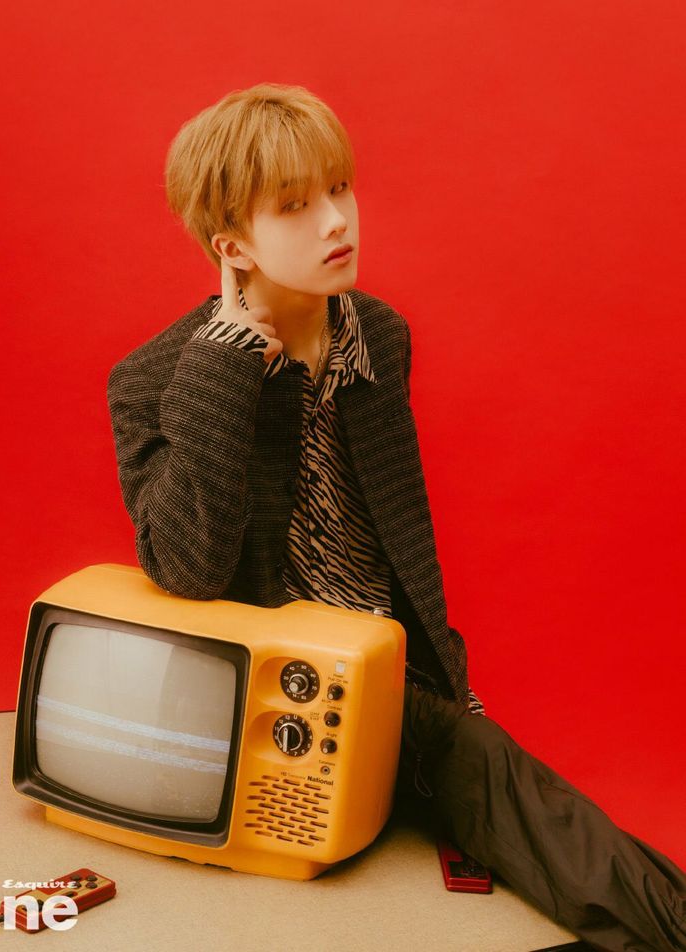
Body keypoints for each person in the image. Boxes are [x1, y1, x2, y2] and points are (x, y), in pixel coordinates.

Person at [106, 82, 685, 951]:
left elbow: (388, 541)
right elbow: (184, 566)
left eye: (339, 188)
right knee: (504, 792)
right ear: (232, 246)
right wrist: (227, 364)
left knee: (507, 788)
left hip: (392, 671)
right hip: (277, 696)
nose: (337, 221)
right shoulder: (154, 379)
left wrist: (442, 683)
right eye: (296, 206)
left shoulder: (378, 335)